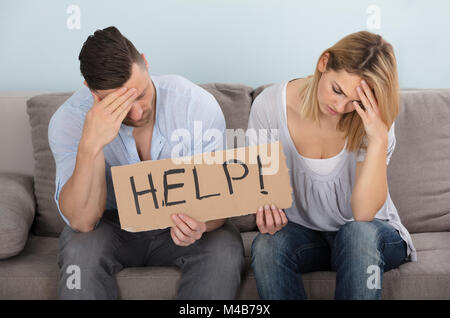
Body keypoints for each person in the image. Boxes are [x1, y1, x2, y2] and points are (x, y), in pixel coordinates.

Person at [48, 26, 245, 299]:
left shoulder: (196, 105)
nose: (137, 112)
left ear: (145, 62)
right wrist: (91, 145)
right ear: (92, 92)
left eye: (139, 95)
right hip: (110, 225)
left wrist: (201, 223)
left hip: (178, 220)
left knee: (224, 247)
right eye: (119, 105)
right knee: (81, 249)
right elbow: (82, 221)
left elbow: (219, 204)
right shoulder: (68, 119)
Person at [248, 30, 417, 300]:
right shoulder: (268, 106)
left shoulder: (374, 119)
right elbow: (261, 190)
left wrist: (377, 141)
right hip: (307, 237)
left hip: (372, 236)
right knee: (267, 245)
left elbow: (362, 214)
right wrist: (266, 207)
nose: (340, 106)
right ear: (323, 62)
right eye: (337, 90)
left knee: (356, 234)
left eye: (355, 101)